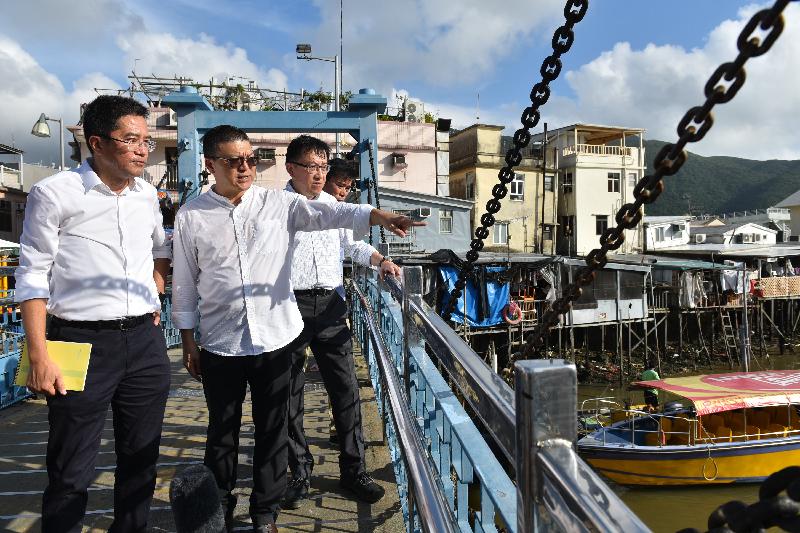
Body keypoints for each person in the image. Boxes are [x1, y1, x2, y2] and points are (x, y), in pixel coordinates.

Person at [171, 126, 422, 532]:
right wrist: (187, 339)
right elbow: (183, 283)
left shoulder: (279, 204)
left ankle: (266, 514)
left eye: (251, 160)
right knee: (223, 432)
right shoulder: (192, 216)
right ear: (210, 164)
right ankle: (219, 511)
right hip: (222, 339)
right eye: (235, 161)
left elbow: (336, 213)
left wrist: (379, 217)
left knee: (278, 425)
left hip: (278, 329)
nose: (245, 168)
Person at [15, 95, 172, 532]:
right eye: (132, 140)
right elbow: (32, 276)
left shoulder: (146, 196)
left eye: (148, 140)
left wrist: (155, 290)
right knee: (71, 469)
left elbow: (160, 247)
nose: (144, 149)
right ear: (98, 143)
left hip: (144, 342)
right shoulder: (55, 193)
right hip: (77, 342)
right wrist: (39, 353)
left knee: (141, 462)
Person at [282, 149, 400, 509]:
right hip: (289, 305)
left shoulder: (334, 206)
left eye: (322, 167)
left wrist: (381, 260)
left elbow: (352, 245)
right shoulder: (276, 206)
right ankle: (299, 470)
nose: (318, 174)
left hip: (331, 306)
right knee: (289, 394)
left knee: (346, 389)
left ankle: (354, 470)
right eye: (311, 167)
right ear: (292, 168)